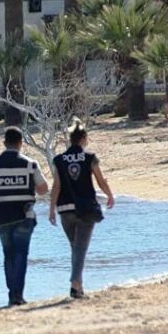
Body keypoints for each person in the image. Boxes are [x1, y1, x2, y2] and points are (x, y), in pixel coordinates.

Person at [0, 127, 49, 306]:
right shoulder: (30, 165)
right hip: (25, 216)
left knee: (8, 254)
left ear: (4, 143)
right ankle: (18, 294)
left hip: (2, 217)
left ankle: (12, 293)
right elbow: (43, 189)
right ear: (20, 143)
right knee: (21, 254)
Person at [49, 123, 114, 299]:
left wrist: (52, 210)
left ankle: (79, 287)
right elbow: (101, 181)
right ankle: (74, 282)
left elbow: (56, 187)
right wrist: (109, 195)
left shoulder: (59, 160)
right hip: (85, 209)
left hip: (64, 209)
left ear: (70, 140)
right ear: (83, 139)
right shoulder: (89, 158)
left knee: (76, 248)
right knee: (80, 249)